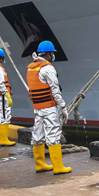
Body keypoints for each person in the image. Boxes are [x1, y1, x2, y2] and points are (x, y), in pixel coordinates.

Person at [26, 41, 71, 174]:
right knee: (53, 136)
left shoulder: (31, 68)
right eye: (52, 54)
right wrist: (63, 107)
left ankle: (40, 164)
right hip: (49, 107)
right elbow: (55, 90)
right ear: (49, 54)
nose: (53, 56)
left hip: (38, 108)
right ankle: (58, 167)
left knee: (38, 135)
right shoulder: (48, 68)